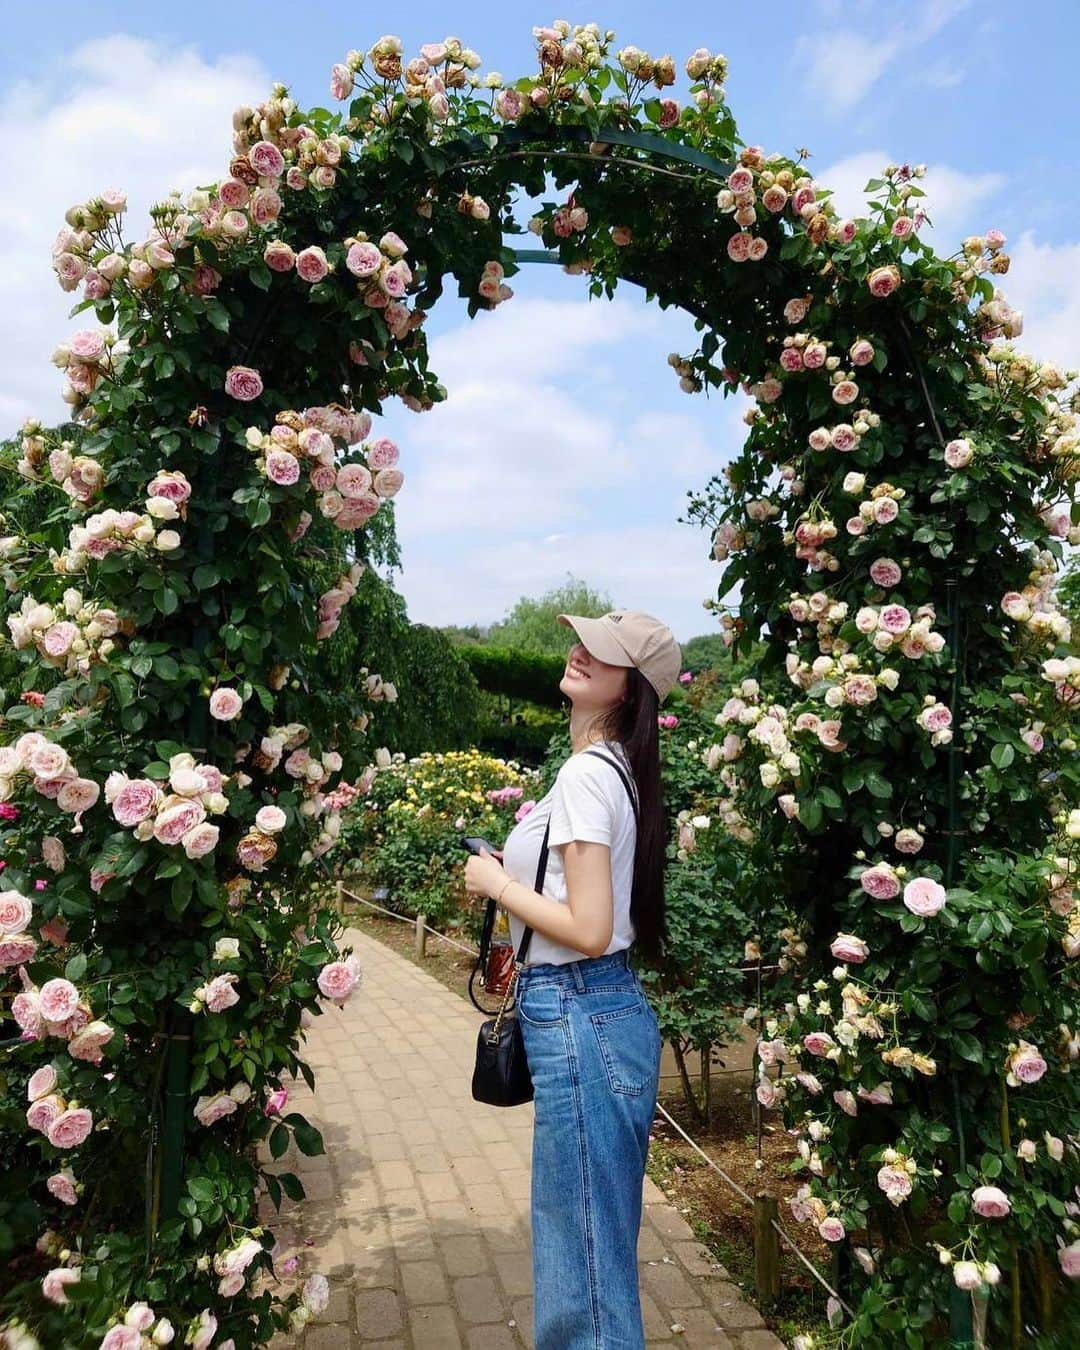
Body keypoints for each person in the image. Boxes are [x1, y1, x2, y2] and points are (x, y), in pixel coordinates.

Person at [464, 609, 681, 1350]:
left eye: (605, 652)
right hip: (601, 1012)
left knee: (581, 1273)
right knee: (589, 1249)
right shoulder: (616, 769)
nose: (581, 652)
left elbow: (587, 927)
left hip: (581, 1011)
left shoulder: (589, 775)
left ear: (633, 688)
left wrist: (492, 883)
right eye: (583, 640)